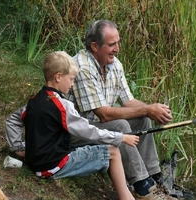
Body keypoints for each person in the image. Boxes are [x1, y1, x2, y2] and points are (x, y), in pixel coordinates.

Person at [5, 51, 138, 200]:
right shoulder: (62, 105)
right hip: (54, 166)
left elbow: (12, 120)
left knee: (98, 149)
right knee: (113, 152)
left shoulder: (33, 101)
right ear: (58, 77)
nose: (73, 84)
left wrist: (17, 147)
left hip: (37, 164)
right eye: (71, 79)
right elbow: (87, 131)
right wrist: (120, 137)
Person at [70, 20, 176, 200]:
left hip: (97, 126)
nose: (117, 49)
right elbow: (103, 114)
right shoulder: (83, 67)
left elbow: (129, 101)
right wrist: (148, 109)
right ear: (95, 46)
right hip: (75, 132)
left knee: (143, 120)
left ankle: (152, 177)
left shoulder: (114, 64)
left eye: (118, 43)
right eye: (111, 45)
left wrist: (154, 110)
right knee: (120, 125)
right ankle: (142, 187)